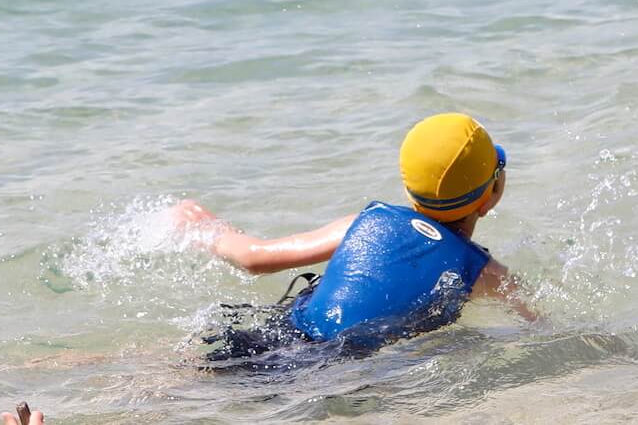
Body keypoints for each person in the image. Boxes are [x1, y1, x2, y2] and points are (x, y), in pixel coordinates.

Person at [174, 112, 536, 350]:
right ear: (490, 198)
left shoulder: (364, 222)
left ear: (409, 187)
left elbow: (253, 259)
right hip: (335, 370)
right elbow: (539, 326)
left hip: (273, 334)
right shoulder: (483, 272)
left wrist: (206, 227)